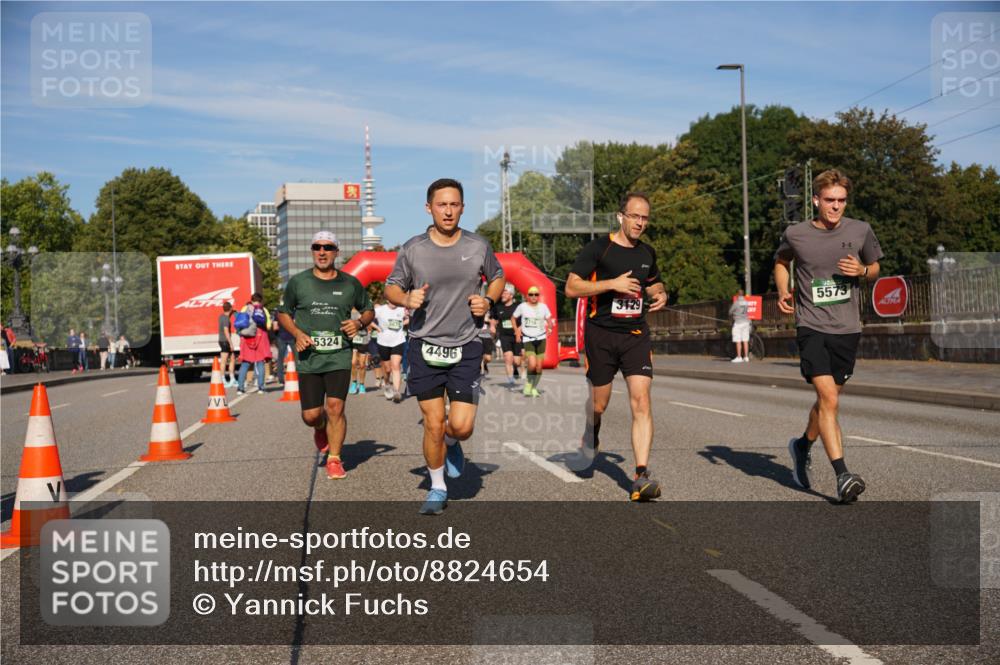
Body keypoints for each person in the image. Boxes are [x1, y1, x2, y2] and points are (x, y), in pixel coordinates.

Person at [385, 178, 504, 515]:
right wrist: (407, 297)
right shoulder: (413, 248)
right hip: (424, 345)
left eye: (454, 204)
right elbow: (390, 288)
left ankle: (451, 443)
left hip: (466, 344)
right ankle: (437, 487)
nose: (448, 211)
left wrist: (488, 300)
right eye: (442, 204)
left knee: (461, 426)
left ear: (462, 208)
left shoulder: (478, 246)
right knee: (433, 423)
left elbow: (497, 277)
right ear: (429, 208)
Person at [775, 169, 882, 504]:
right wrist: (783, 289)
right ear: (816, 200)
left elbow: (875, 266)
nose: (836, 206)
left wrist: (863, 271)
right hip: (811, 325)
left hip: (847, 328)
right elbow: (781, 261)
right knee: (830, 400)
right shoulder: (796, 233)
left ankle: (802, 445)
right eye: (830, 200)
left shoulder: (860, 229)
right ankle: (842, 475)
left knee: (827, 400)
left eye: (841, 200)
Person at [565, 192, 668, 502]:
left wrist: (660, 293)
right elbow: (571, 287)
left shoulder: (647, 252)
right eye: (634, 216)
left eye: (645, 218)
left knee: (641, 400)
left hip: (636, 334)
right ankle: (591, 430)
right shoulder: (599, 248)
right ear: (620, 216)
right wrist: (612, 284)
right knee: (599, 405)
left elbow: (654, 282)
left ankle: (640, 474)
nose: (639, 222)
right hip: (601, 335)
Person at [277, 231, 374, 480]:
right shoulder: (299, 283)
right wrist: (297, 333)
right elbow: (283, 313)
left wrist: (359, 324)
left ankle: (334, 458)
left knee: (335, 407)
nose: (322, 251)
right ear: (312, 251)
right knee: (311, 415)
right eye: (317, 247)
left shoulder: (350, 283)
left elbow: (368, 310)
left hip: (338, 355)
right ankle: (320, 428)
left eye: (328, 247)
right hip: (309, 356)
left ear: (336, 252)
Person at [512, 286, 553, 397]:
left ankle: (534, 387)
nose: (534, 296)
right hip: (528, 339)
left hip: (541, 338)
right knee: (532, 364)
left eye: (536, 294)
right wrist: (517, 331)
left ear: (538, 296)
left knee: (539, 367)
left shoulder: (543, 307)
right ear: (527, 296)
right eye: (531, 294)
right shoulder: (522, 307)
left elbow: (549, 320)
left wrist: (550, 328)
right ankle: (528, 384)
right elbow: (513, 318)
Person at [236, 293, 272, 394]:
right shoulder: (264, 310)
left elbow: (239, 322)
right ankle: (261, 388)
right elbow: (268, 326)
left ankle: (240, 388)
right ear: (261, 301)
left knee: (245, 363)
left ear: (251, 300)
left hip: (247, 338)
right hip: (261, 337)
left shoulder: (245, 308)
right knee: (260, 362)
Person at [374, 300, 408, 402]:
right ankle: (387, 383)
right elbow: (365, 317)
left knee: (396, 365)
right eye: (391, 300)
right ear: (387, 300)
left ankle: (397, 392)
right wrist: (376, 327)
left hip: (398, 341)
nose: (394, 302)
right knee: (387, 369)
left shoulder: (402, 309)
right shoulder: (380, 310)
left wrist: (403, 322)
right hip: (383, 342)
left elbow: (411, 318)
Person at [491, 283, 523, 388]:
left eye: (505, 293)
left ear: (511, 295)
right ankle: (511, 381)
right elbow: (493, 318)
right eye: (502, 293)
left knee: (517, 361)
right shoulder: (498, 306)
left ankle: (515, 369)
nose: (503, 295)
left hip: (516, 336)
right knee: (508, 357)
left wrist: (519, 329)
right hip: (504, 336)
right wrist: (492, 326)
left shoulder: (518, 306)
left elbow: (524, 319)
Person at [349, 309, 371, 394]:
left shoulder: (365, 311)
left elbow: (370, 325)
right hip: (353, 339)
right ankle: (354, 383)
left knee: (362, 365)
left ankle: (361, 384)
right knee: (353, 363)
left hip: (363, 339)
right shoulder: (349, 311)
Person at [218, 302, 237, 387]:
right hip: (225, 341)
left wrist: (232, 312)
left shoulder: (221, 316)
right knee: (224, 361)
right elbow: (226, 331)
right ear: (230, 308)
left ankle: (232, 378)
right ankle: (222, 380)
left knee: (233, 358)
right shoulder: (226, 319)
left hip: (222, 340)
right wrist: (231, 343)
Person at [729, 289, 751, 363]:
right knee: (745, 340)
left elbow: (730, 312)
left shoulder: (736, 303)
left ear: (737, 295)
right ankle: (746, 357)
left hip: (738, 323)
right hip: (746, 322)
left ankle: (739, 357)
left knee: (738, 340)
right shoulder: (746, 303)